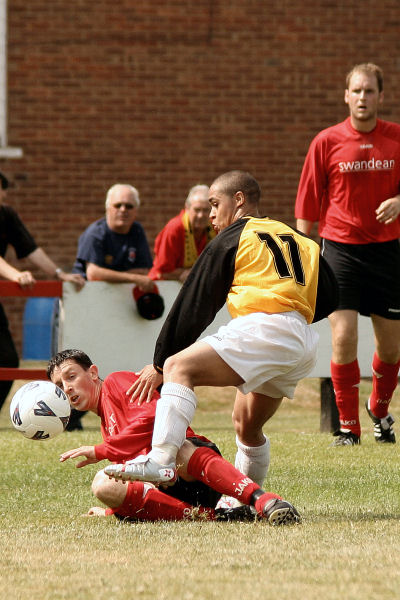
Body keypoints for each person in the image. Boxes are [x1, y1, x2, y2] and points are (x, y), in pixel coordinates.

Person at [103, 170, 338, 518]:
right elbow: (331, 295)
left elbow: (195, 302)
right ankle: (238, 503)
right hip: (302, 339)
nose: (211, 214)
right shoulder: (301, 239)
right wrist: (291, 314)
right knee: (247, 425)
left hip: (264, 328)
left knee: (177, 367)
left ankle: (161, 459)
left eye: (215, 204)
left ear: (238, 200)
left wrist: (159, 362)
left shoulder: (235, 235)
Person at [48, 348, 301, 525]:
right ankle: (214, 517)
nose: (67, 388)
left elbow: (153, 420)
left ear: (92, 373)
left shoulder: (115, 382)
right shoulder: (105, 421)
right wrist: (113, 510)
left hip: (194, 469)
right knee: (104, 483)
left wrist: (100, 450)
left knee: (177, 450)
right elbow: (138, 475)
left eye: (71, 377)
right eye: (59, 385)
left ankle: (262, 500)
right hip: (172, 492)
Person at [295, 63, 400, 446]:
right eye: (356, 91)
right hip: (339, 251)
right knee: (343, 337)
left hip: (388, 253)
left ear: (381, 97)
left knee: (391, 349)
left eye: (369, 91)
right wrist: (303, 263)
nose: (362, 98)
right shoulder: (326, 141)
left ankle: (380, 407)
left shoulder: (397, 139)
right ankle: (348, 428)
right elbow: (306, 207)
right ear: (346, 96)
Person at [0, 171, 85, 418]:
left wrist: (59, 274)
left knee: (6, 358)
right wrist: (15, 275)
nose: (4, 196)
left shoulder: (6, 215)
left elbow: (31, 249)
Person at [73, 183, 154, 292]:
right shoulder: (95, 233)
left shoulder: (137, 230)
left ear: (136, 211)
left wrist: (109, 275)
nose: (123, 210)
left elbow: (144, 271)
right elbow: (93, 274)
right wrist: (134, 278)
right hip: (83, 298)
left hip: (117, 300)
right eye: (118, 205)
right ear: (108, 209)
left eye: (129, 206)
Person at [148, 184, 215, 283]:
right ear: (187, 208)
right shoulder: (174, 229)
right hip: (165, 286)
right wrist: (190, 273)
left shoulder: (215, 227)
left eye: (206, 210)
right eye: (197, 210)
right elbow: (162, 271)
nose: (201, 215)